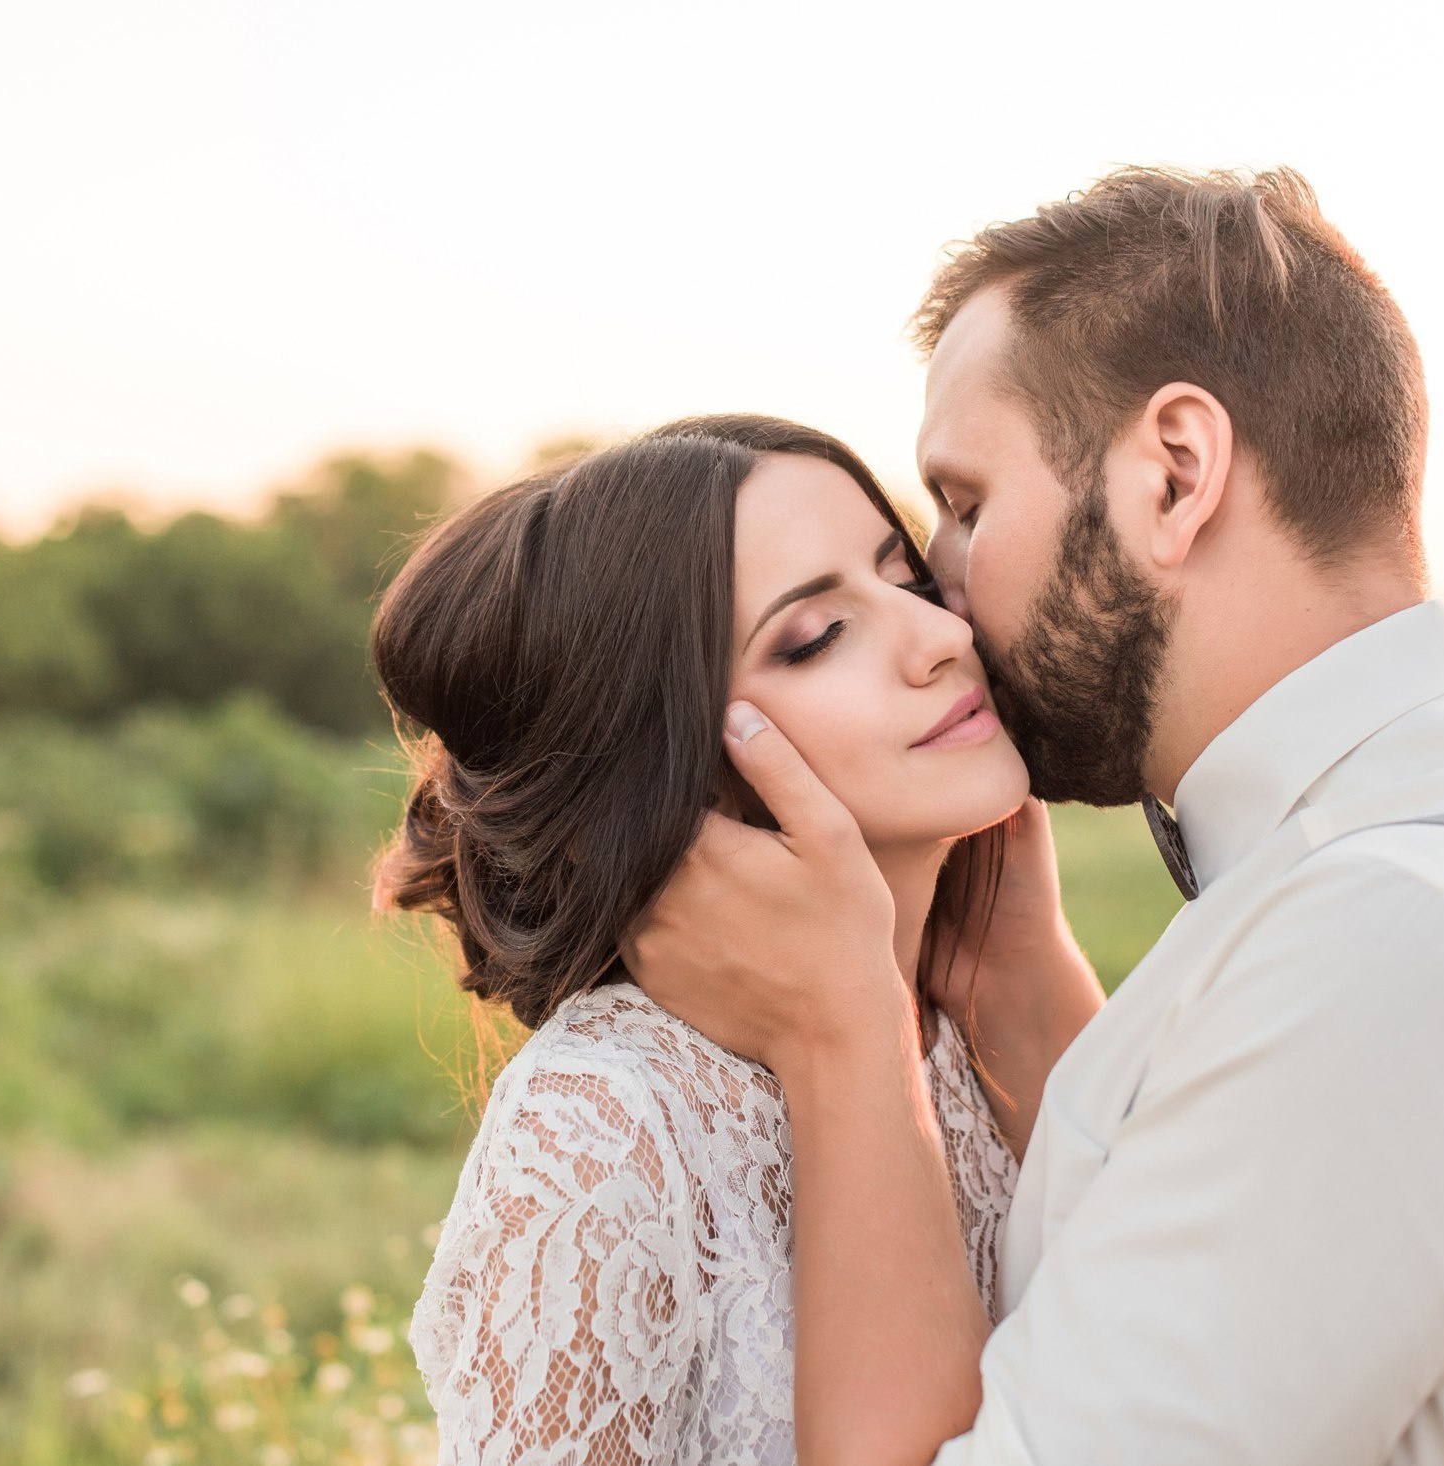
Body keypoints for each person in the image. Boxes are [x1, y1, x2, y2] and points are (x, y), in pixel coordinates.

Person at [624, 168, 1444, 1465]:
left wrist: (842, 1038)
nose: (943, 599)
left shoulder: (1397, 935)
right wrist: (1020, 999)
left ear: (1174, 473)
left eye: (964, 507)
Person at [375, 414, 1063, 1464]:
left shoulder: (971, 1020)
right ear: (675, 769)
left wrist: (1027, 977)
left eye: (910, 581)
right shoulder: (603, 1130)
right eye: (815, 637)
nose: (944, 638)